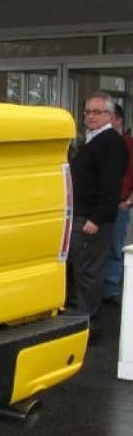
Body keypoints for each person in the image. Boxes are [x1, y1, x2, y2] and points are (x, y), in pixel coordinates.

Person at [67, 91, 130, 341]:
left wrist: (95, 218)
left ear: (110, 116)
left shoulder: (111, 143)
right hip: (82, 214)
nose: (90, 117)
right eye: (87, 112)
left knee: (89, 273)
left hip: (93, 220)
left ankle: (90, 327)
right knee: (81, 271)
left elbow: (110, 186)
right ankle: (84, 321)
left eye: (96, 112)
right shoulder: (92, 141)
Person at [102, 103, 133, 305]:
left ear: (119, 120)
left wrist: (129, 200)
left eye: (110, 118)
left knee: (115, 248)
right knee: (98, 249)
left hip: (119, 204)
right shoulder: (100, 143)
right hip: (101, 204)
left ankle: (111, 290)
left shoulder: (129, 144)